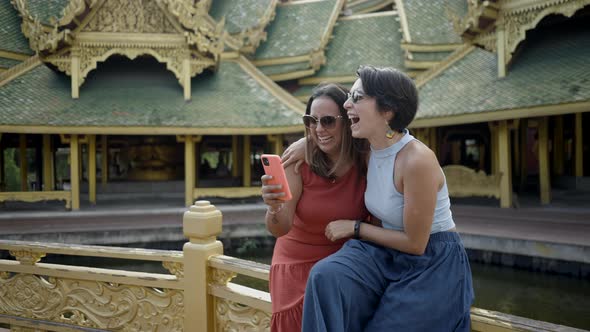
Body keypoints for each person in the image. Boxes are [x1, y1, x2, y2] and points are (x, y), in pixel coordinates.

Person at [283, 66, 474, 331]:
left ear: (387, 110)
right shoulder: (369, 149)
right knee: (325, 277)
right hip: (384, 252)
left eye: (357, 98)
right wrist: (309, 143)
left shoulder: (416, 160)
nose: (347, 104)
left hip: (431, 258)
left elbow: (416, 243)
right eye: (349, 97)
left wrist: (356, 228)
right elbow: (331, 139)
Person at [261, 83, 369, 332]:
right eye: (312, 121)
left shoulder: (366, 160)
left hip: (345, 265)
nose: (319, 129)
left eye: (328, 121)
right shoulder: (297, 163)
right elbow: (280, 228)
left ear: (348, 121)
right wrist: (274, 207)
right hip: (296, 266)